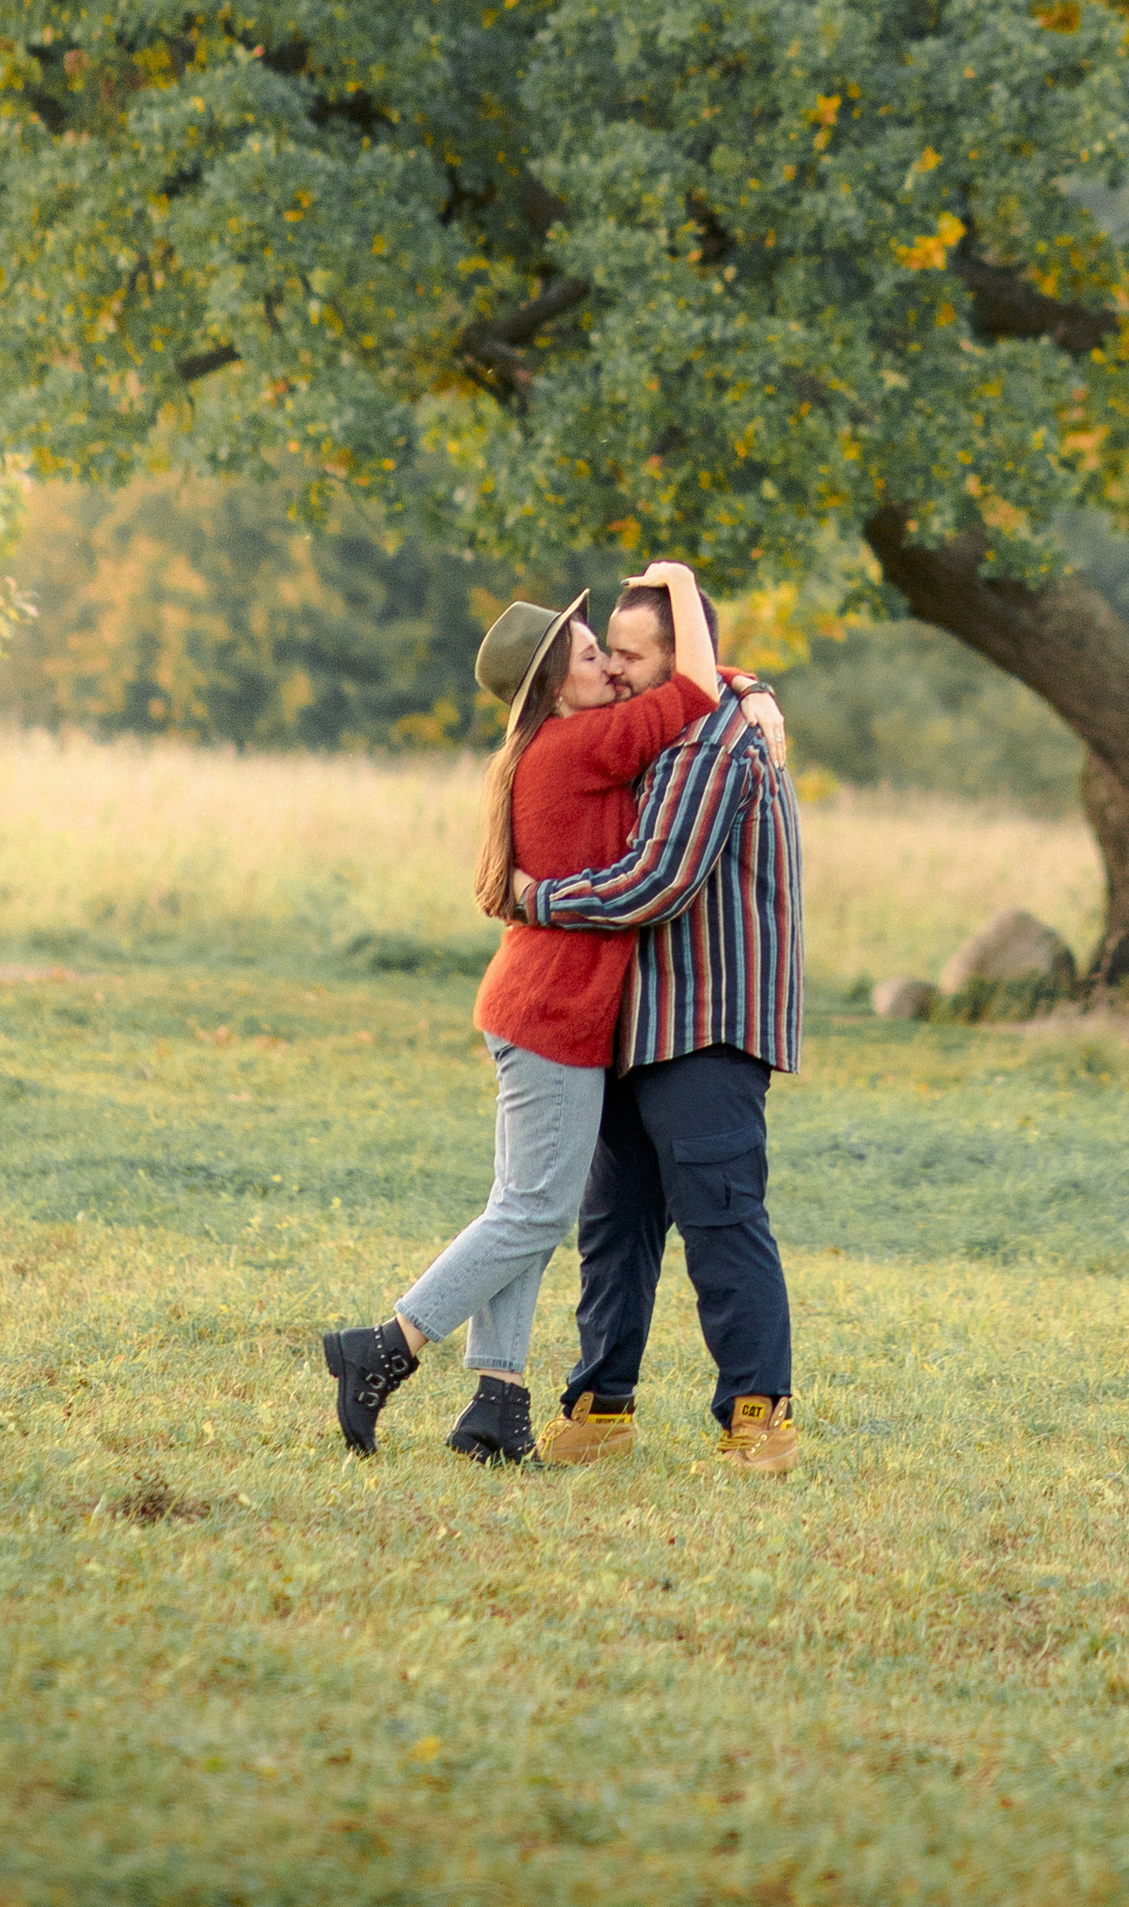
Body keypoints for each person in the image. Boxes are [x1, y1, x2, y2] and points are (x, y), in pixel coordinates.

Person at [318, 567, 735, 1462]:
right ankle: (385, 1348)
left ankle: (497, 1408)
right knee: (536, 1214)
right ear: (555, 680)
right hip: (550, 1016)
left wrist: (759, 692)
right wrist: (681, 585)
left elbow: (713, 688)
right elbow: (698, 690)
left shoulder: (558, 743)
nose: (612, 669)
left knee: (523, 1208)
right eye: (596, 656)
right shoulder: (578, 746)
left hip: (539, 1008)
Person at [512, 571, 807, 1476]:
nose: (616, 673)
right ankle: (600, 1410)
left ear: (682, 659)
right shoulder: (678, 729)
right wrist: (750, 682)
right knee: (616, 1222)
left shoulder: (715, 745)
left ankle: (758, 1423)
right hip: (642, 1022)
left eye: (631, 655)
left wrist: (539, 899)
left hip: (707, 1022)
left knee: (721, 1220)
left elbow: (658, 880)